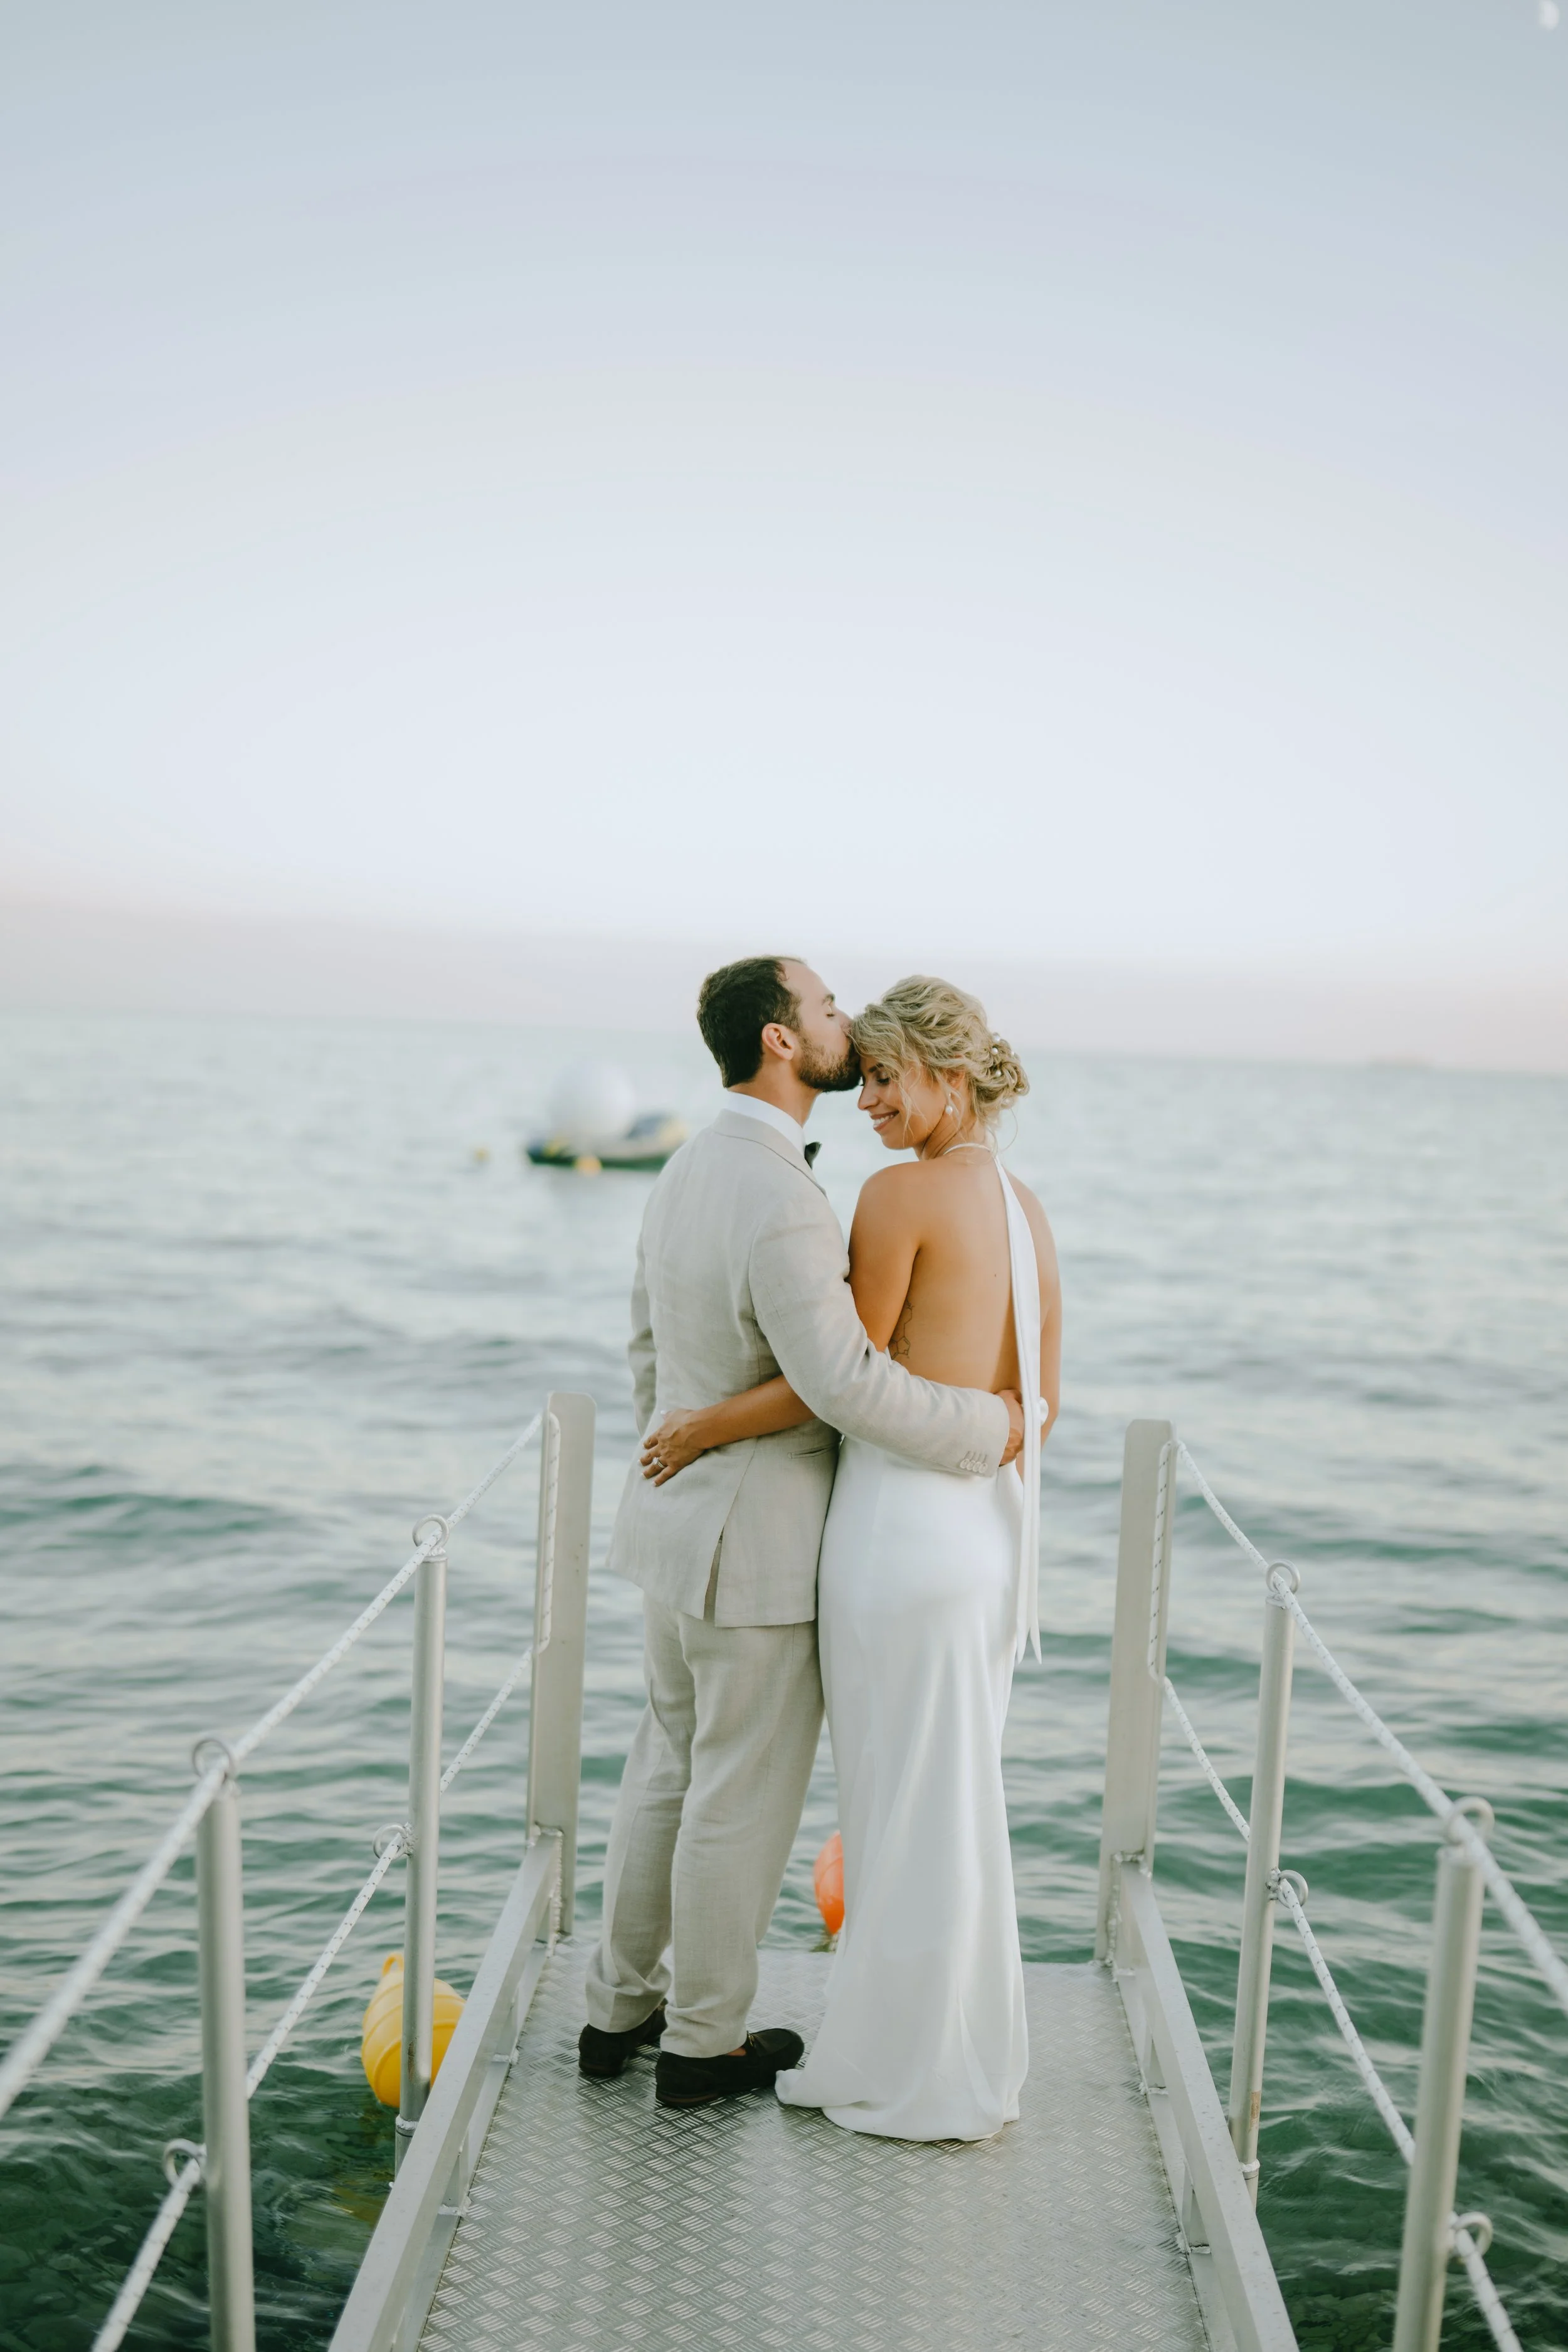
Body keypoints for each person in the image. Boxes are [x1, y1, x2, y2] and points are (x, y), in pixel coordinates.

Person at [580, 957, 1025, 2109]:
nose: (842, 1027)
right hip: (756, 1554)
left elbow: (645, 1345)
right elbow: (844, 1382)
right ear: (782, 1040)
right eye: (827, 1010)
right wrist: (986, 1426)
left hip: (674, 1535)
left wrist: (673, 1453)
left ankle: (614, 2009)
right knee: (737, 1799)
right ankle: (701, 2043)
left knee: (665, 1773)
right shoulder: (784, 1192)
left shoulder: (684, 1160)